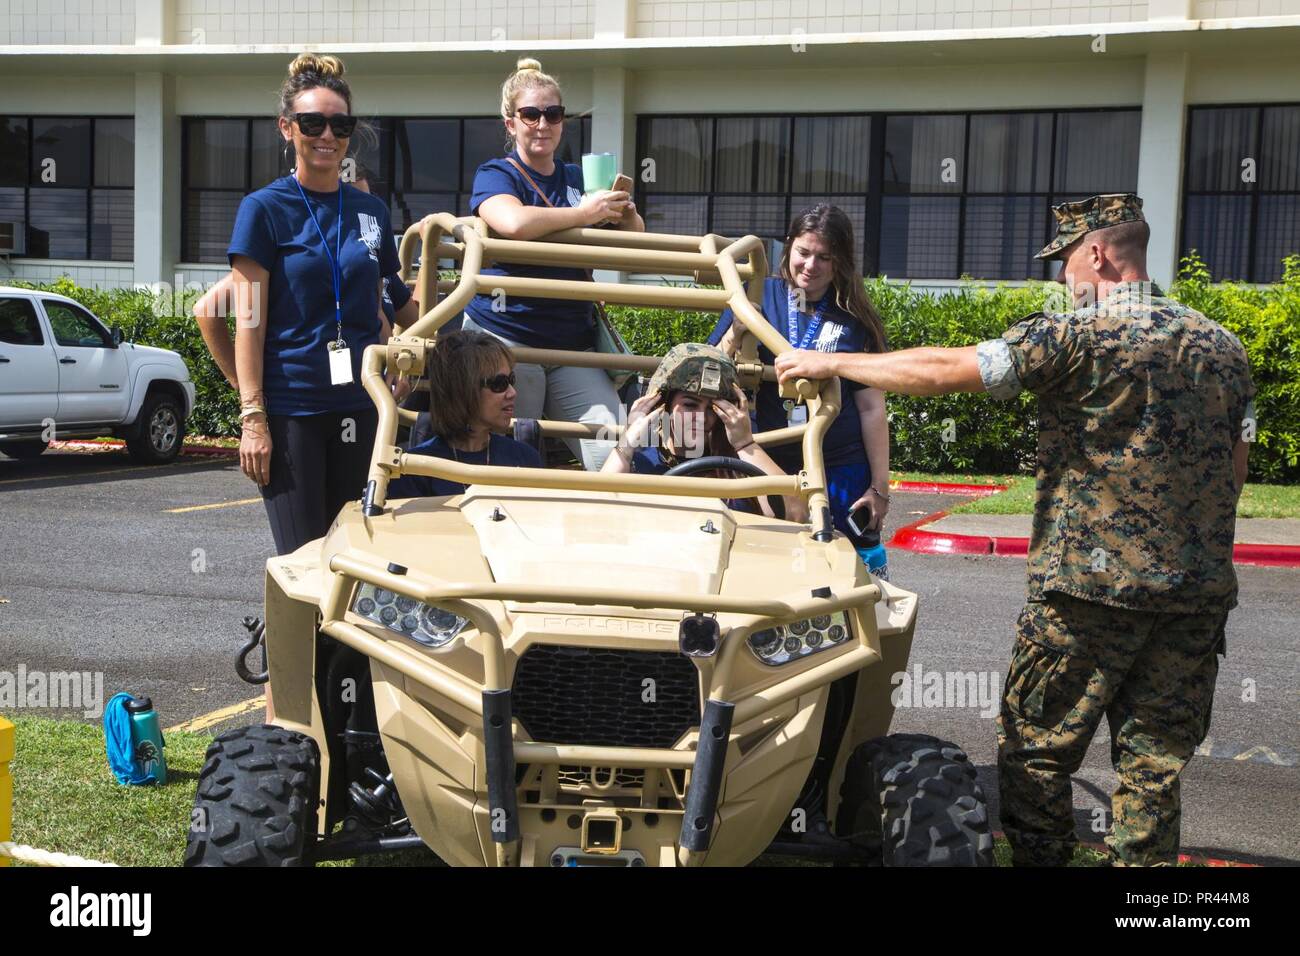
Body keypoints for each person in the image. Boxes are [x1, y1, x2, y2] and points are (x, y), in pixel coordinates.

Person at [775, 193, 1255, 867]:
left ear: (1097, 253)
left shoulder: (1075, 337)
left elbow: (945, 370)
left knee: (1036, 754)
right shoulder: (1224, 348)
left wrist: (832, 363)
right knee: (1154, 766)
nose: (1062, 277)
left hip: (1086, 596)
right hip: (1194, 598)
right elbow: (1235, 470)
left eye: (1066, 261)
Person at [227, 52, 401, 555]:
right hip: (294, 411)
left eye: (340, 125)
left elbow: (378, 305)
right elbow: (248, 322)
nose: (328, 135)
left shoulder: (370, 210)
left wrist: (396, 364)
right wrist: (253, 416)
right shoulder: (263, 209)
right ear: (287, 128)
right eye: (313, 123)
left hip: (362, 406)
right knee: (304, 558)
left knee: (357, 556)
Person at [461, 57, 645, 472]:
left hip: (573, 346)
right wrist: (584, 213)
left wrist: (624, 212)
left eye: (553, 114)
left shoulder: (579, 177)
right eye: (530, 114)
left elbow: (634, 238)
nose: (542, 124)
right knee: (510, 462)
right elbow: (513, 223)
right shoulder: (496, 173)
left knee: (614, 456)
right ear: (511, 124)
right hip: (506, 341)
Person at [710, 203, 890, 576]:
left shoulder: (855, 316)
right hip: (762, 458)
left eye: (824, 257)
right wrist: (735, 334)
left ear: (841, 261)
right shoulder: (755, 295)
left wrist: (879, 489)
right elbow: (706, 372)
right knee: (759, 565)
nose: (810, 265)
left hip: (837, 464)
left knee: (837, 568)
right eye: (803, 252)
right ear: (788, 245)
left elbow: (872, 408)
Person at [194, 164, 417, 394]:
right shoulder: (290, 261)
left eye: (363, 201)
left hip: (363, 394)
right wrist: (243, 384)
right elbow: (208, 309)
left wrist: (391, 364)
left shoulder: (370, 263)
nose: (359, 218)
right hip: (296, 395)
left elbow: (386, 318)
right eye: (351, 202)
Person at [603, 343, 807, 523]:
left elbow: (796, 514)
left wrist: (745, 444)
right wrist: (627, 443)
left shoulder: (737, 467)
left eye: (713, 408)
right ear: (663, 406)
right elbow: (598, 508)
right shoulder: (641, 462)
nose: (701, 417)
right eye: (690, 405)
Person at [389, 331, 543, 498]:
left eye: (511, 380)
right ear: (462, 390)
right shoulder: (413, 468)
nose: (512, 393)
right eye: (499, 383)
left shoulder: (526, 458)